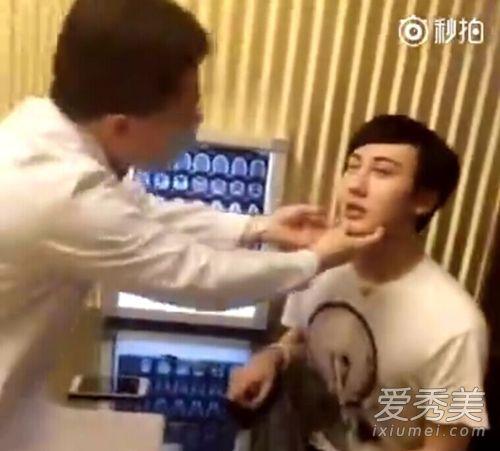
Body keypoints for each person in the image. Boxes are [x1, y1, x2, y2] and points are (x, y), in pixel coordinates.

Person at [0, 0, 385, 366]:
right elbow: (203, 278)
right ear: (121, 126)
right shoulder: (60, 194)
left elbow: (141, 212)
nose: (197, 121)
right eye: (186, 113)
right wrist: (315, 259)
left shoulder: (47, 134)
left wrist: (259, 227)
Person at [228, 115, 489, 451]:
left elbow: (448, 442)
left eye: (382, 172)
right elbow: (304, 336)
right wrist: (274, 356)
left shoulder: (457, 327)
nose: (356, 185)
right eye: (352, 167)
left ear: (423, 199)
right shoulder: (319, 267)